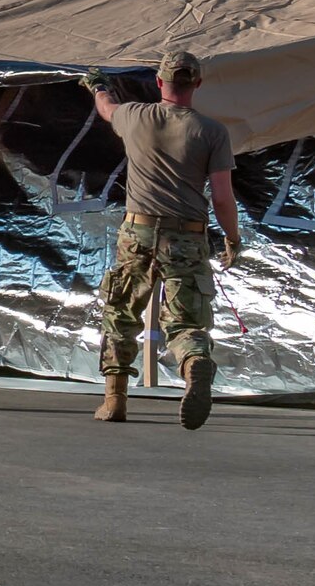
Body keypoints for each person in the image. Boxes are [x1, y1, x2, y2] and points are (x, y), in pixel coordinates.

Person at [82, 50, 241, 430]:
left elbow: (106, 108)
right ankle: (193, 361)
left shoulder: (135, 116)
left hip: (137, 232)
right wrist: (232, 239)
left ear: (159, 82)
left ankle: (115, 401)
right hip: (186, 235)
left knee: (121, 311)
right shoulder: (212, 132)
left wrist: (97, 85)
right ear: (197, 84)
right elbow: (222, 196)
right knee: (185, 319)